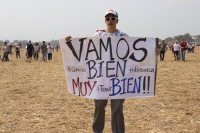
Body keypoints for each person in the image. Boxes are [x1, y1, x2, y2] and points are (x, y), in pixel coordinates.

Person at [65, 9, 159, 133]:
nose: (110, 20)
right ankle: (97, 130)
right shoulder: (98, 36)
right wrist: (70, 44)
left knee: (117, 107)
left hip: (119, 79)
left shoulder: (124, 36)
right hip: (101, 78)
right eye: (108, 18)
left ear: (117, 21)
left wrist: (153, 52)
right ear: (105, 20)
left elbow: (134, 55)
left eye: (113, 18)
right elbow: (85, 51)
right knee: (99, 105)